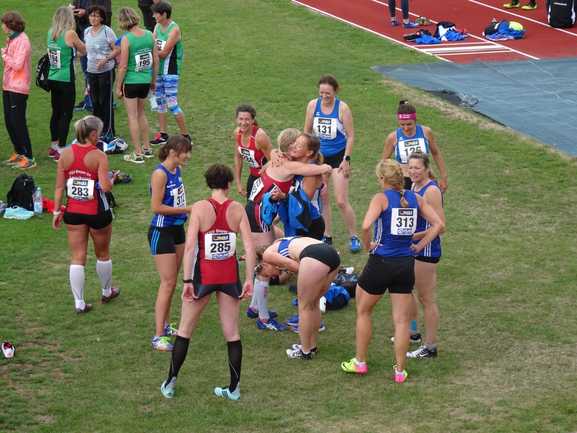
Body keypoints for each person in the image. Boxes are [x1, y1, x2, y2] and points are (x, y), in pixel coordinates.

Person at [340, 159, 443, 383]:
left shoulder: (381, 198)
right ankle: (399, 371)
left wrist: (368, 246)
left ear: (382, 179)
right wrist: (419, 246)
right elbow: (438, 224)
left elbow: (366, 226)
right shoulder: (415, 198)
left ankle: (360, 362)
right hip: (405, 265)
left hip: (381, 262)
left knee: (364, 311)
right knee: (402, 321)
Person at [159, 164, 255, 401]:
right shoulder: (237, 209)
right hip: (229, 277)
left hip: (204, 276)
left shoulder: (200, 208)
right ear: (229, 184)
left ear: (209, 183)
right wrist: (249, 279)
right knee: (232, 334)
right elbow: (250, 246)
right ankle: (234, 389)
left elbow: (190, 247)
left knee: (185, 330)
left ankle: (170, 383)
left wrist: (187, 280)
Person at [52, 115, 119, 313]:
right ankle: (106, 291)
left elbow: (59, 187)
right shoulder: (99, 156)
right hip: (97, 211)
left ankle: (79, 303)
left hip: (73, 211)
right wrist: (112, 179)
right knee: (103, 253)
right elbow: (105, 188)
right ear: (93, 134)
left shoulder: (64, 154)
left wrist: (56, 211)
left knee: (77, 256)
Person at [304, 74, 360, 252]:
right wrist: (307, 157)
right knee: (323, 197)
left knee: (341, 200)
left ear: (335, 91)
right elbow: (307, 132)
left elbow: (351, 136)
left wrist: (346, 159)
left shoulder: (342, 108)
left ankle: (353, 236)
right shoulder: (313, 105)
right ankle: (327, 235)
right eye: (321, 93)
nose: (324, 96)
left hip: (338, 157)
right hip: (319, 158)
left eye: (327, 93)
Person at [262, 236, 340, 359]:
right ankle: (312, 346)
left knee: (304, 307)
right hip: (332, 254)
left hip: (315, 257)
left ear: (264, 265)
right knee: (314, 303)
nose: (273, 276)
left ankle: (305, 351)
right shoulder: (287, 241)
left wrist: (307, 273)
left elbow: (290, 264)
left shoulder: (267, 254)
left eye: (268, 275)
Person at [149, 135, 193, 352]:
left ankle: (165, 326)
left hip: (177, 229)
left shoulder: (177, 170)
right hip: (162, 231)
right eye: (186, 152)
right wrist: (187, 209)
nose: (188, 156)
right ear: (174, 152)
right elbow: (156, 207)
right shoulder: (160, 174)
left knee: (172, 281)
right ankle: (158, 336)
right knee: (167, 283)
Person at [406, 152, 444, 359]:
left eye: (417, 168)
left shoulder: (431, 191)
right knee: (409, 290)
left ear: (427, 169)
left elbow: (441, 226)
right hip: (415, 249)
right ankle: (413, 332)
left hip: (426, 250)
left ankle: (430, 347)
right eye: (410, 167)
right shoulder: (414, 185)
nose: (413, 171)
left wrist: (416, 238)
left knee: (426, 298)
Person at [115, 7, 157, 163]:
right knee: (141, 114)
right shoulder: (149, 34)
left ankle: (138, 153)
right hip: (145, 81)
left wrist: (118, 86)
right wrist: (153, 80)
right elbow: (155, 60)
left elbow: (123, 66)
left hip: (131, 82)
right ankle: (147, 148)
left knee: (132, 116)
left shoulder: (126, 39)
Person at [47, 6, 86, 161]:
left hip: (53, 77)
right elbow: (84, 50)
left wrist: (71, 54)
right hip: (65, 79)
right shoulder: (70, 33)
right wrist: (75, 54)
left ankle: (53, 145)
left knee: (55, 112)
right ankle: (62, 148)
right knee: (66, 113)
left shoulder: (51, 32)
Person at [149, 1, 191, 146]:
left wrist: (149, 53)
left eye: (156, 14)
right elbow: (152, 44)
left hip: (170, 71)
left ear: (164, 14)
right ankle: (163, 135)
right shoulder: (157, 26)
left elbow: (164, 53)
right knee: (160, 102)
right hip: (158, 70)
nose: (153, 16)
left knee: (172, 104)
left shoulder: (174, 29)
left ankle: (186, 136)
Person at [382, 100, 448, 192]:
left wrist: (444, 177)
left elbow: (436, 153)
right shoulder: (393, 137)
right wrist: (387, 182)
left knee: (431, 200)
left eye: (409, 124)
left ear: (415, 121)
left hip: (425, 178)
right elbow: (384, 162)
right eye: (402, 125)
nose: (406, 128)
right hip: (404, 182)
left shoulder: (426, 132)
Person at [1, 11, 34, 169]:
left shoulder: (23, 41)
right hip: (8, 86)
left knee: (18, 122)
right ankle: (19, 152)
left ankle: (29, 157)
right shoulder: (12, 38)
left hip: (18, 88)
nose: (2, 26)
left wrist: (4, 55)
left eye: (4, 23)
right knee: (9, 121)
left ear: (10, 25)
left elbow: (18, 65)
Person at [84, 5, 118, 143]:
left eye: (96, 16)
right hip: (91, 72)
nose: (93, 18)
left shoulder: (107, 31)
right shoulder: (86, 31)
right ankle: (96, 132)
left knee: (105, 102)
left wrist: (106, 59)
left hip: (106, 72)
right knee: (95, 102)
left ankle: (109, 132)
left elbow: (117, 49)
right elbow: (85, 51)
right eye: (91, 15)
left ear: (102, 18)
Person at [233, 104, 272, 199]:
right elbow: (238, 157)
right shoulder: (237, 133)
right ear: (236, 119)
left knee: (257, 207)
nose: (243, 123)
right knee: (250, 206)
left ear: (253, 120)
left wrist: (264, 170)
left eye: (247, 119)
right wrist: (238, 182)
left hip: (267, 178)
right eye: (241, 119)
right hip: (253, 177)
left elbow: (274, 161)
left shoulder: (260, 137)